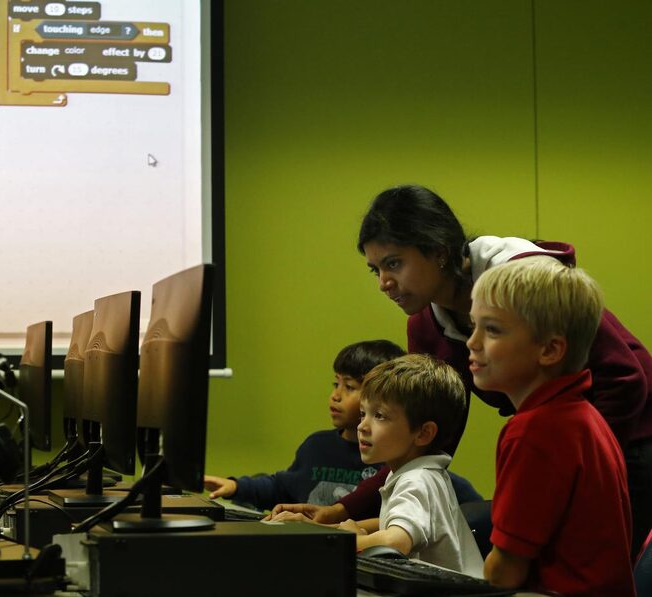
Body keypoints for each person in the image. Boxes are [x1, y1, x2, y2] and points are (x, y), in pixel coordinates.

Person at [271, 184, 652, 559]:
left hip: (633, 435)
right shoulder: (425, 325)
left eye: (394, 263)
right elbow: (423, 439)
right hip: (565, 448)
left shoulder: (523, 279)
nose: (384, 283)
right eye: (376, 270)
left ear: (438, 251)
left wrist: (572, 466)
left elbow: (626, 379)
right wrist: (343, 511)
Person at [469, 256, 635, 594]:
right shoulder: (582, 417)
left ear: (550, 350)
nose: (472, 342)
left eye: (492, 329)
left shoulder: (536, 431)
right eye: (473, 325)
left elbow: (506, 572)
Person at [275, 354, 484, 577]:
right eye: (364, 414)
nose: (362, 426)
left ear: (423, 433)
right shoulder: (416, 472)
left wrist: (351, 539)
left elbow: (395, 542)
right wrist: (318, 530)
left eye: (380, 416)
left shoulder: (417, 481)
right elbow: (391, 523)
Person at [203, 340, 405, 511]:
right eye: (336, 384)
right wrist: (236, 486)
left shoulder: (391, 459)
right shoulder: (317, 446)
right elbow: (281, 487)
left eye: (349, 387)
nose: (335, 396)